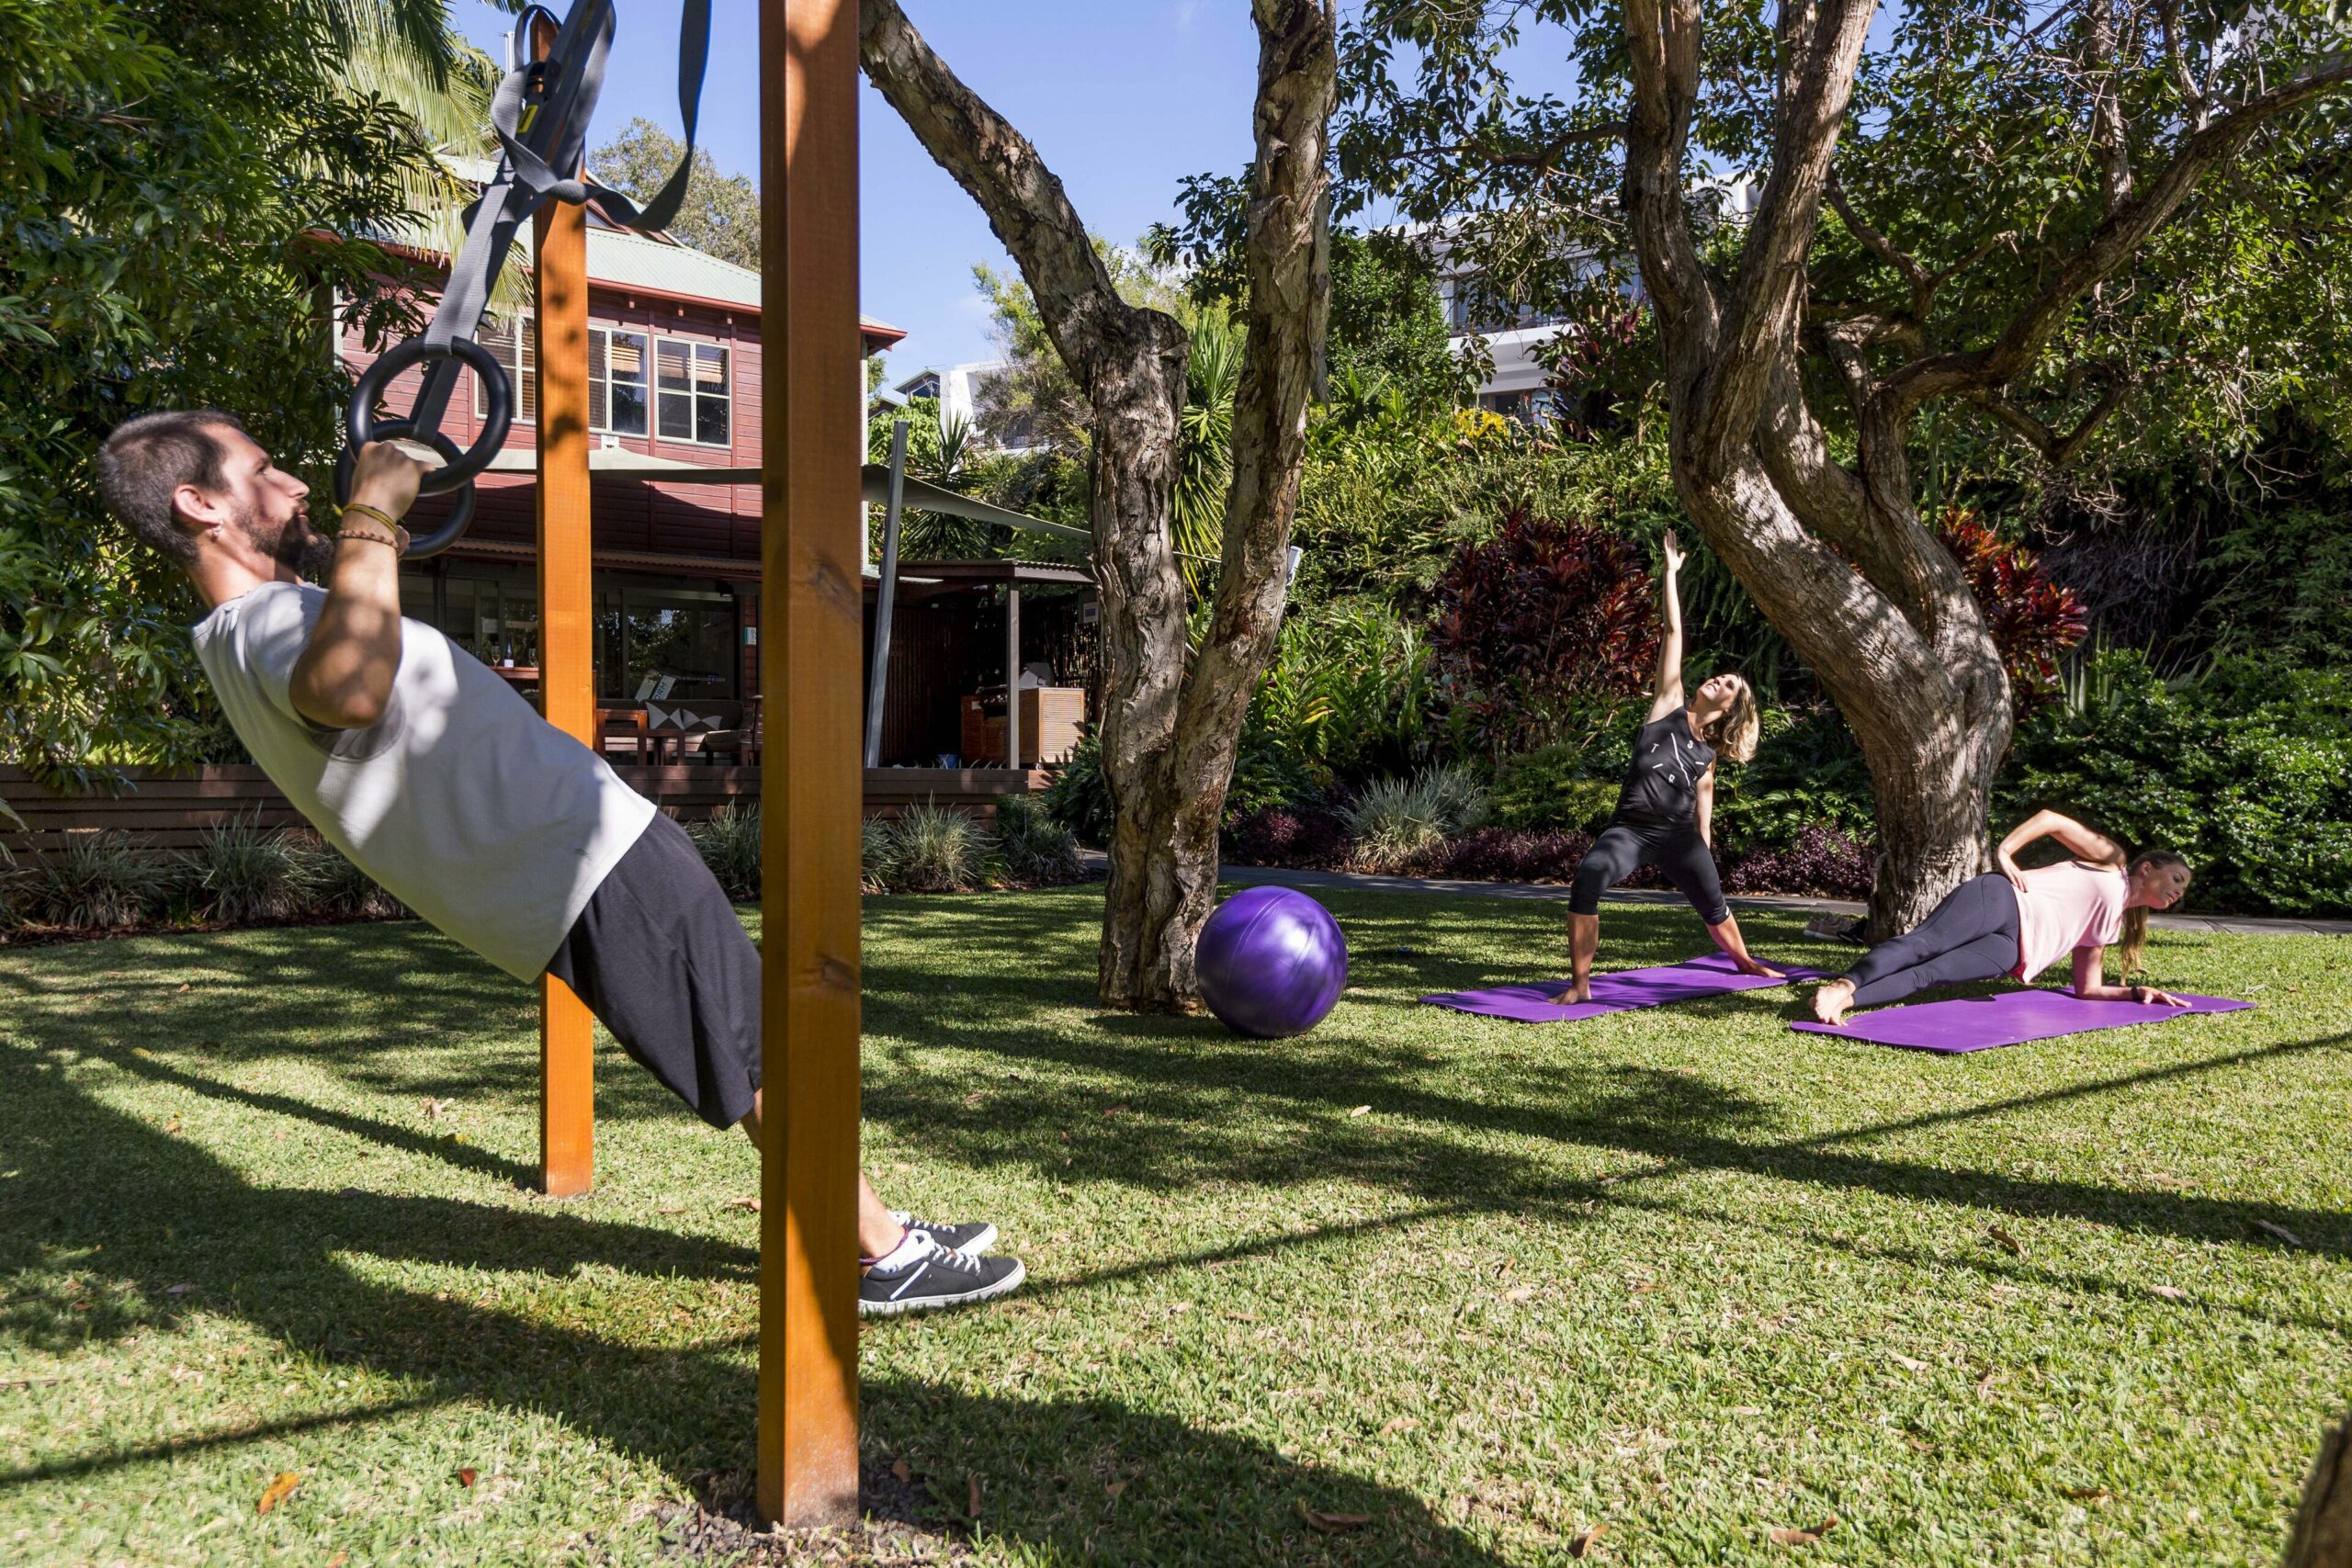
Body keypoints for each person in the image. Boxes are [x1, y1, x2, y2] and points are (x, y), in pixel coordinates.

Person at [97, 410, 1021, 1317]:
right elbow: (350, 687)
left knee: (744, 1036)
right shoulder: (265, 625)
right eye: (262, 472)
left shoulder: (259, 627)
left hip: (571, 857)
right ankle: (885, 1257)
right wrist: (370, 513)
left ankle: (857, 1227)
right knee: (755, 1044)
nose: (294, 483)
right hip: (578, 859)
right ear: (197, 504)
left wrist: (371, 540)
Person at [1564, 527, 1778, 1002]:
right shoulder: (1667, 706)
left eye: (1729, 686)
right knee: (1588, 877)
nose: (1719, 679)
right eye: (1721, 676)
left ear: (1730, 709)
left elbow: (1703, 806)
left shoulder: (1708, 755)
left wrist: (1701, 854)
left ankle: (1744, 960)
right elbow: (1673, 633)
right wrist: (1670, 573)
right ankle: (1581, 984)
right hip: (1632, 829)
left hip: (1679, 836)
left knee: (1713, 903)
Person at [1810, 810, 2191, 1025]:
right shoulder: (2114, 862)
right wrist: (2006, 852)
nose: (2178, 891)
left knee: (1928, 975)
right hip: (2005, 899)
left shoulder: (2113, 925)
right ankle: (1843, 984)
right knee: (1922, 944)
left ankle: (1849, 1001)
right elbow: (2053, 821)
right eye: (2176, 878)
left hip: (2012, 950)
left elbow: (2087, 989)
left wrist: (2138, 992)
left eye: (2184, 888)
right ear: (2148, 869)